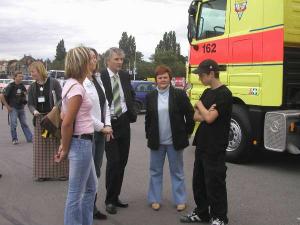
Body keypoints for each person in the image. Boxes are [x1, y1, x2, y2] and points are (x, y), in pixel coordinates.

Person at [180, 59, 232, 225]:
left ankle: (219, 217)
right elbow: (196, 117)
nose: (199, 78)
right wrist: (205, 111)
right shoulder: (207, 92)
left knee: (214, 182)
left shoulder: (224, 94)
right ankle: (202, 212)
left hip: (215, 146)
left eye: (201, 75)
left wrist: (200, 105)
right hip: (202, 143)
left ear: (211, 73)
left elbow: (208, 118)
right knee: (199, 181)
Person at [54, 46, 97, 225]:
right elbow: (66, 122)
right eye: (90, 59)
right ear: (82, 63)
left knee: (90, 189)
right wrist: (65, 148)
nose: (93, 62)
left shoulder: (70, 84)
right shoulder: (77, 88)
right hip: (81, 144)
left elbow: (64, 116)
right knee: (76, 194)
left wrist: (65, 145)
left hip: (81, 143)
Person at [145, 65, 195, 211]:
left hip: (175, 141)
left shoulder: (179, 95)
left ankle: (180, 200)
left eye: (165, 77)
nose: (162, 80)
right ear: (156, 80)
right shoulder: (151, 96)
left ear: (170, 78)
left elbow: (190, 114)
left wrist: (188, 132)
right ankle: (154, 199)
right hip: (157, 142)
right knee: (155, 171)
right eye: (160, 77)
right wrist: (149, 134)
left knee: (177, 171)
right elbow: (148, 119)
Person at [101, 47, 137, 214]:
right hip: (108, 124)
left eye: (121, 59)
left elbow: (130, 94)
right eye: (116, 59)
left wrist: (132, 112)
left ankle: (115, 196)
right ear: (108, 60)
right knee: (113, 162)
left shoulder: (124, 76)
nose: (120, 62)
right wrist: (104, 124)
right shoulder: (100, 77)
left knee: (122, 162)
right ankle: (109, 200)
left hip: (123, 122)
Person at [83, 48, 113, 220]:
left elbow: (105, 105)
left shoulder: (97, 79)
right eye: (91, 58)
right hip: (89, 133)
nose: (95, 61)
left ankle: (92, 208)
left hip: (101, 133)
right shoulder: (80, 82)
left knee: (96, 172)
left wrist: (107, 124)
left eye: (96, 58)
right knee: (88, 175)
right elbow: (85, 113)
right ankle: (85, 210)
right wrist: (102, 126)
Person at [28, 61, 68, 181]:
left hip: (53, 118)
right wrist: (34, 111)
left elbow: (62, 99)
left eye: (32, 71)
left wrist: (56, 106)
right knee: (41, 149)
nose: (31, 74)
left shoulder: (54, 82)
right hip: (40, 119)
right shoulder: (32, 87)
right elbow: (30, 104)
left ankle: (62, 173)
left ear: (39, 70)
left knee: (57, 145)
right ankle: (42, 174)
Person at [0, 71, 32, 145]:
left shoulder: (21, 85)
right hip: (13, 108)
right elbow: (1, 96)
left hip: (21, 108)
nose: (21, 78)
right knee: (13, 124)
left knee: (24, 124)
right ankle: (14, 139)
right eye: (20, 76)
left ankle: (30, 138)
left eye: (22, 76)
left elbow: (24, 94)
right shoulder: (10, 86)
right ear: (15, 77)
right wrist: (7, 107)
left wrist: (25, 94)